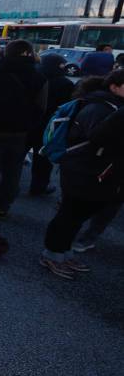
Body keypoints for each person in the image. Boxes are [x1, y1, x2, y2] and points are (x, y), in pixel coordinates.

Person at [40, 70, 124, 279]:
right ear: (114, 86)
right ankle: (52, 254)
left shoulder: (108, 106)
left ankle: (63, 252)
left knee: (78, 215)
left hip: (94, 170)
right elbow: (99, 138)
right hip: (83, 169)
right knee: (70, 214)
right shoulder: (99, 108)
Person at [0, 39, 48, 218]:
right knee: (13, 171)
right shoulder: (39, 78)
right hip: (20, 134)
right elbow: (41, 108)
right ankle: (3, 206)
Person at [28, 54, 75, 196]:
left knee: (18, 156)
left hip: (29, 122)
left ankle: (10, 182)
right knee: (43, 158)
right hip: (49, 125)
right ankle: (39, 186)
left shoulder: (34, 77)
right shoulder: (65, 83)